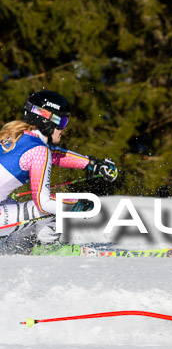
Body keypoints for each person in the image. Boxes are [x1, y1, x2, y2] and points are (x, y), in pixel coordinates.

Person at [0, 90, 118, 254]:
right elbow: (43, 203)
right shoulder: (39, 150)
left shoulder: (14, 137)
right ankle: (49, 249)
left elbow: (54, 154)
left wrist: (92, 164)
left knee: (23, 207)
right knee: (58, 204)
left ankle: (16, 249)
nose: (64, 128)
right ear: (48, 120)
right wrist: (75, 206)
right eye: (62, 122)